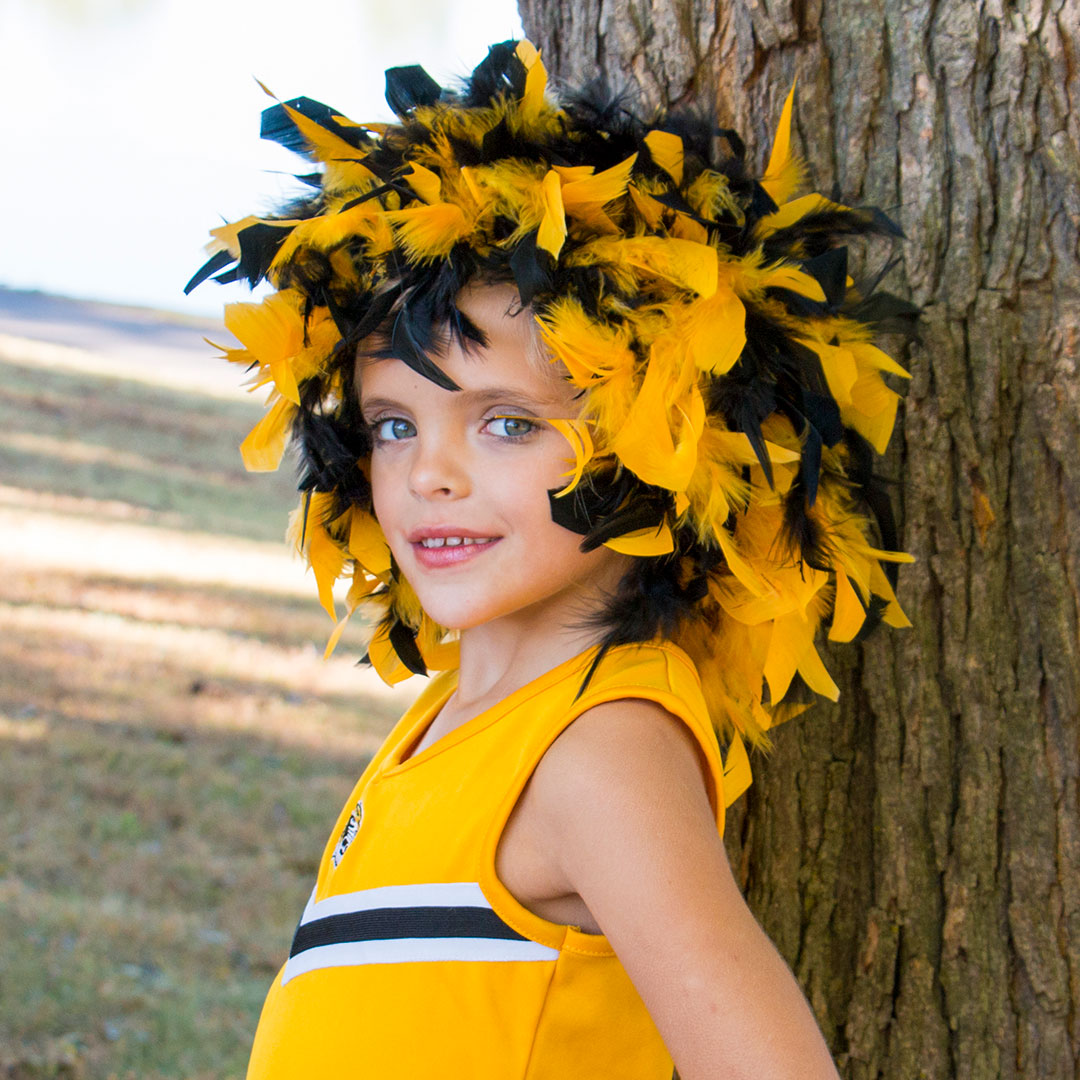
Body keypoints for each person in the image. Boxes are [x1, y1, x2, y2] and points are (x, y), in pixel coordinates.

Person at [188, 39, 915, 1080]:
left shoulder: (600, 751)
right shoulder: (444, 724)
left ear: (657, 435)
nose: (429, 474)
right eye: (394, 426)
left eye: (507, 424)